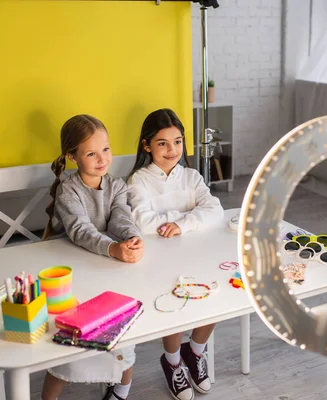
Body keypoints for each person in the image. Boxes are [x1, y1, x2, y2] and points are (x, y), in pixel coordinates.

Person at [41, 114, 144, 400]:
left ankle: (120, 389)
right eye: (91, 153)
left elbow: (120, 218)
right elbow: (80, 231)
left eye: (106, 149)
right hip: (75, 276)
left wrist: (131, 238)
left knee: (122, 332)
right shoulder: (68, 190)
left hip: (107, 270)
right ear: (72, 157)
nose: (102, 159)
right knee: (70, 348)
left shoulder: (117, 186)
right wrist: (113, 248)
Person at [127, 108, 223, 400]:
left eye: (178, 142)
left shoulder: (191, 176)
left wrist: (181, 223)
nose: (172, 150)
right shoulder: (138, 181)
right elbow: (143, 222)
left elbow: (214, 210)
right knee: (174, 299)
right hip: (158, 263)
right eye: (163, 143)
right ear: (147, 145)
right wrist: (189, 215)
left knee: (215, 292)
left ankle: (194, 351)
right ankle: (171, 361)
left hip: (195, 255)